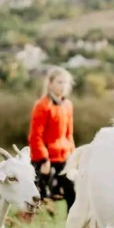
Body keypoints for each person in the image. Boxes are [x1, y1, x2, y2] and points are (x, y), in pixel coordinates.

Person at [28, 67, 77, 215]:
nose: (63, 86)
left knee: (72, 193)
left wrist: (74, 157)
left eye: (66, 83)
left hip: (65, 158)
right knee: (36, 197)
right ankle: (24, 224)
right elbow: (35, 135)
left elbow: (69, 134)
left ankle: (72, 226)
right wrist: (43, 160)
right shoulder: (42, 105)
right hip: (46, 159)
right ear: (50, 83)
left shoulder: (68, 105)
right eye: (59, 82)